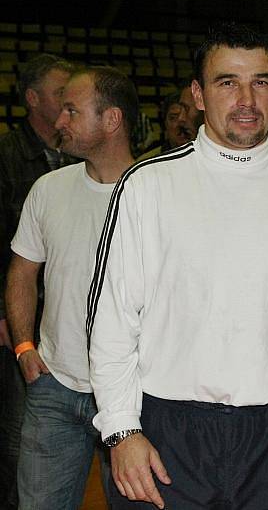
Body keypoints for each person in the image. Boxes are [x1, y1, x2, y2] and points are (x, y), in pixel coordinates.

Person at [87, 23, 268, 509]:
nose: (246, 98)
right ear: (198, 93)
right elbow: (112, 318)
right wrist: (120, 431)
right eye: (227, 82)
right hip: (168, 431)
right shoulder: (147, 185)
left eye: (260, 81)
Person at [7, 65, 136, 509]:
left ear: (111, 120)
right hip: (53, 387)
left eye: (71, 110)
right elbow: (22, 270)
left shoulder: (154, 193)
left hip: (134, 394)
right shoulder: (48, 189)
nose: (60, 121)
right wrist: (24, 345)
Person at [0, 53, 74, 510]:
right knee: (16, 433)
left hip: (64, 319)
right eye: (59, 92)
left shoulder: (74, 154)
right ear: (32, 99)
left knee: (55, 433)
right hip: (20, 314)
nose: (68, 101)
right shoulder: (7, 156)